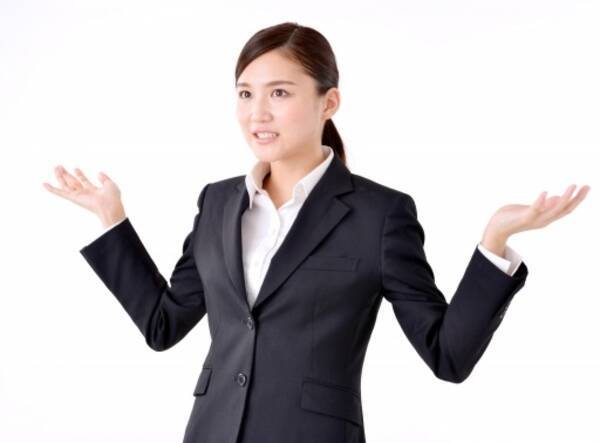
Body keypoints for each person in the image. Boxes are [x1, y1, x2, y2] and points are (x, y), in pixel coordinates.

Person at [43, 21, 590, 443]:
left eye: (279, 93)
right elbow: (163, 325)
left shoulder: (380, 215)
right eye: (245, 93)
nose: (258, 113)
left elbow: (447, 355)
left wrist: (494, 243)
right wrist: (112, 220)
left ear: (329, 102)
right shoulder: (217, 202)